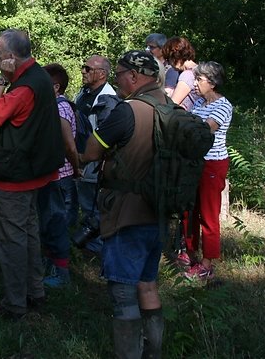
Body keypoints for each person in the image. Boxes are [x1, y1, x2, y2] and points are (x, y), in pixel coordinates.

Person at [81, 50, 167, 359]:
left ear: (134, 76)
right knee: (148, 285)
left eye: (118, 75)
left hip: (126, 213)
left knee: (122, 292)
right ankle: (153, 354)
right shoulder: (170, 106)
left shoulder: (127, 111)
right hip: (159, 210)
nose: (116, 81)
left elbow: (91, 152)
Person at [0, 29, 64, 319]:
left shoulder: (22, 88)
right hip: (36, 173)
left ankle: (15, 304)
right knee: (29, 234)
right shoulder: (40, 76)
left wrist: (1, 81)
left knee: (11, 241)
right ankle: (36, 292)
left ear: (10, 58)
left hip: (16, 178)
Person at [183, 62, 233, 280]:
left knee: (209, 214)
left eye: (199, 80)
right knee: (188, 210)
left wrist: (187, 126)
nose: (194, 84)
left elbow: (203, 131)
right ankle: (189, 252)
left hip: (212, 164)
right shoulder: (199, 103)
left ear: (211, 83)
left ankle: (207, 262)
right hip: (193, 162)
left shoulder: (223, 106)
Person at [72, 54, 119, 254]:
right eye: (84, 67)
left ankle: (99, 249)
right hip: (80, 158)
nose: (83, 71)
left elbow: (107, 135)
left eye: (87, 68)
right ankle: (89, 245)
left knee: (95, 207)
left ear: (102, 74)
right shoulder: (84, 92)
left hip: (94, 162)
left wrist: (98, 161)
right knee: (85, 204)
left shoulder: (107, 98)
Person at [39, 63, 81, 288]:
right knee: (49, 223)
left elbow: (69, 145)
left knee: (57, 224)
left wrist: (75, 170)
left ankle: (61, 273)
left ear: (56, 87)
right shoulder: (52, 106)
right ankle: (50, 264)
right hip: (53, 176)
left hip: (60, 177)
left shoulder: (60, 108)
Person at [161, 36, 199, 111]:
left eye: (168, 59)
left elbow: (172, 104)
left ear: (174, 57)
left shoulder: (187, 75)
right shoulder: (199, 70)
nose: (169, 63)